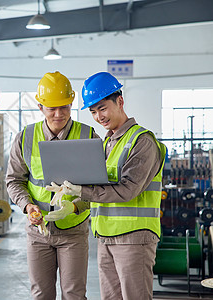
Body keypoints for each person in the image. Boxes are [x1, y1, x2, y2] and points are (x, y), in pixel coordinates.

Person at [60, 71, 167, 300]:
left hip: (134, 238)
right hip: (105, 236)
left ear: (120, 101)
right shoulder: (107, 142)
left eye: (103, 108)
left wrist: (81, 190)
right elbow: (103, 190)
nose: (99, 116)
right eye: (93, 111)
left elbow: (127, 190)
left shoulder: (142, 141)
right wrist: (75, 206)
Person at [5, 71, 97, 300]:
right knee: (40, 294)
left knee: (74, 294)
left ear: (71, 103)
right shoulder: (25, 138)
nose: (59, 114)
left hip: (74, 231)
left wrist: (75, 207)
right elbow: (14, 180)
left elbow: (97, 188)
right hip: (38, 231)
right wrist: (28, 207)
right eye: (52, 108)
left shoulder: (88, 135)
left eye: (64, 107)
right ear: (40, 107)